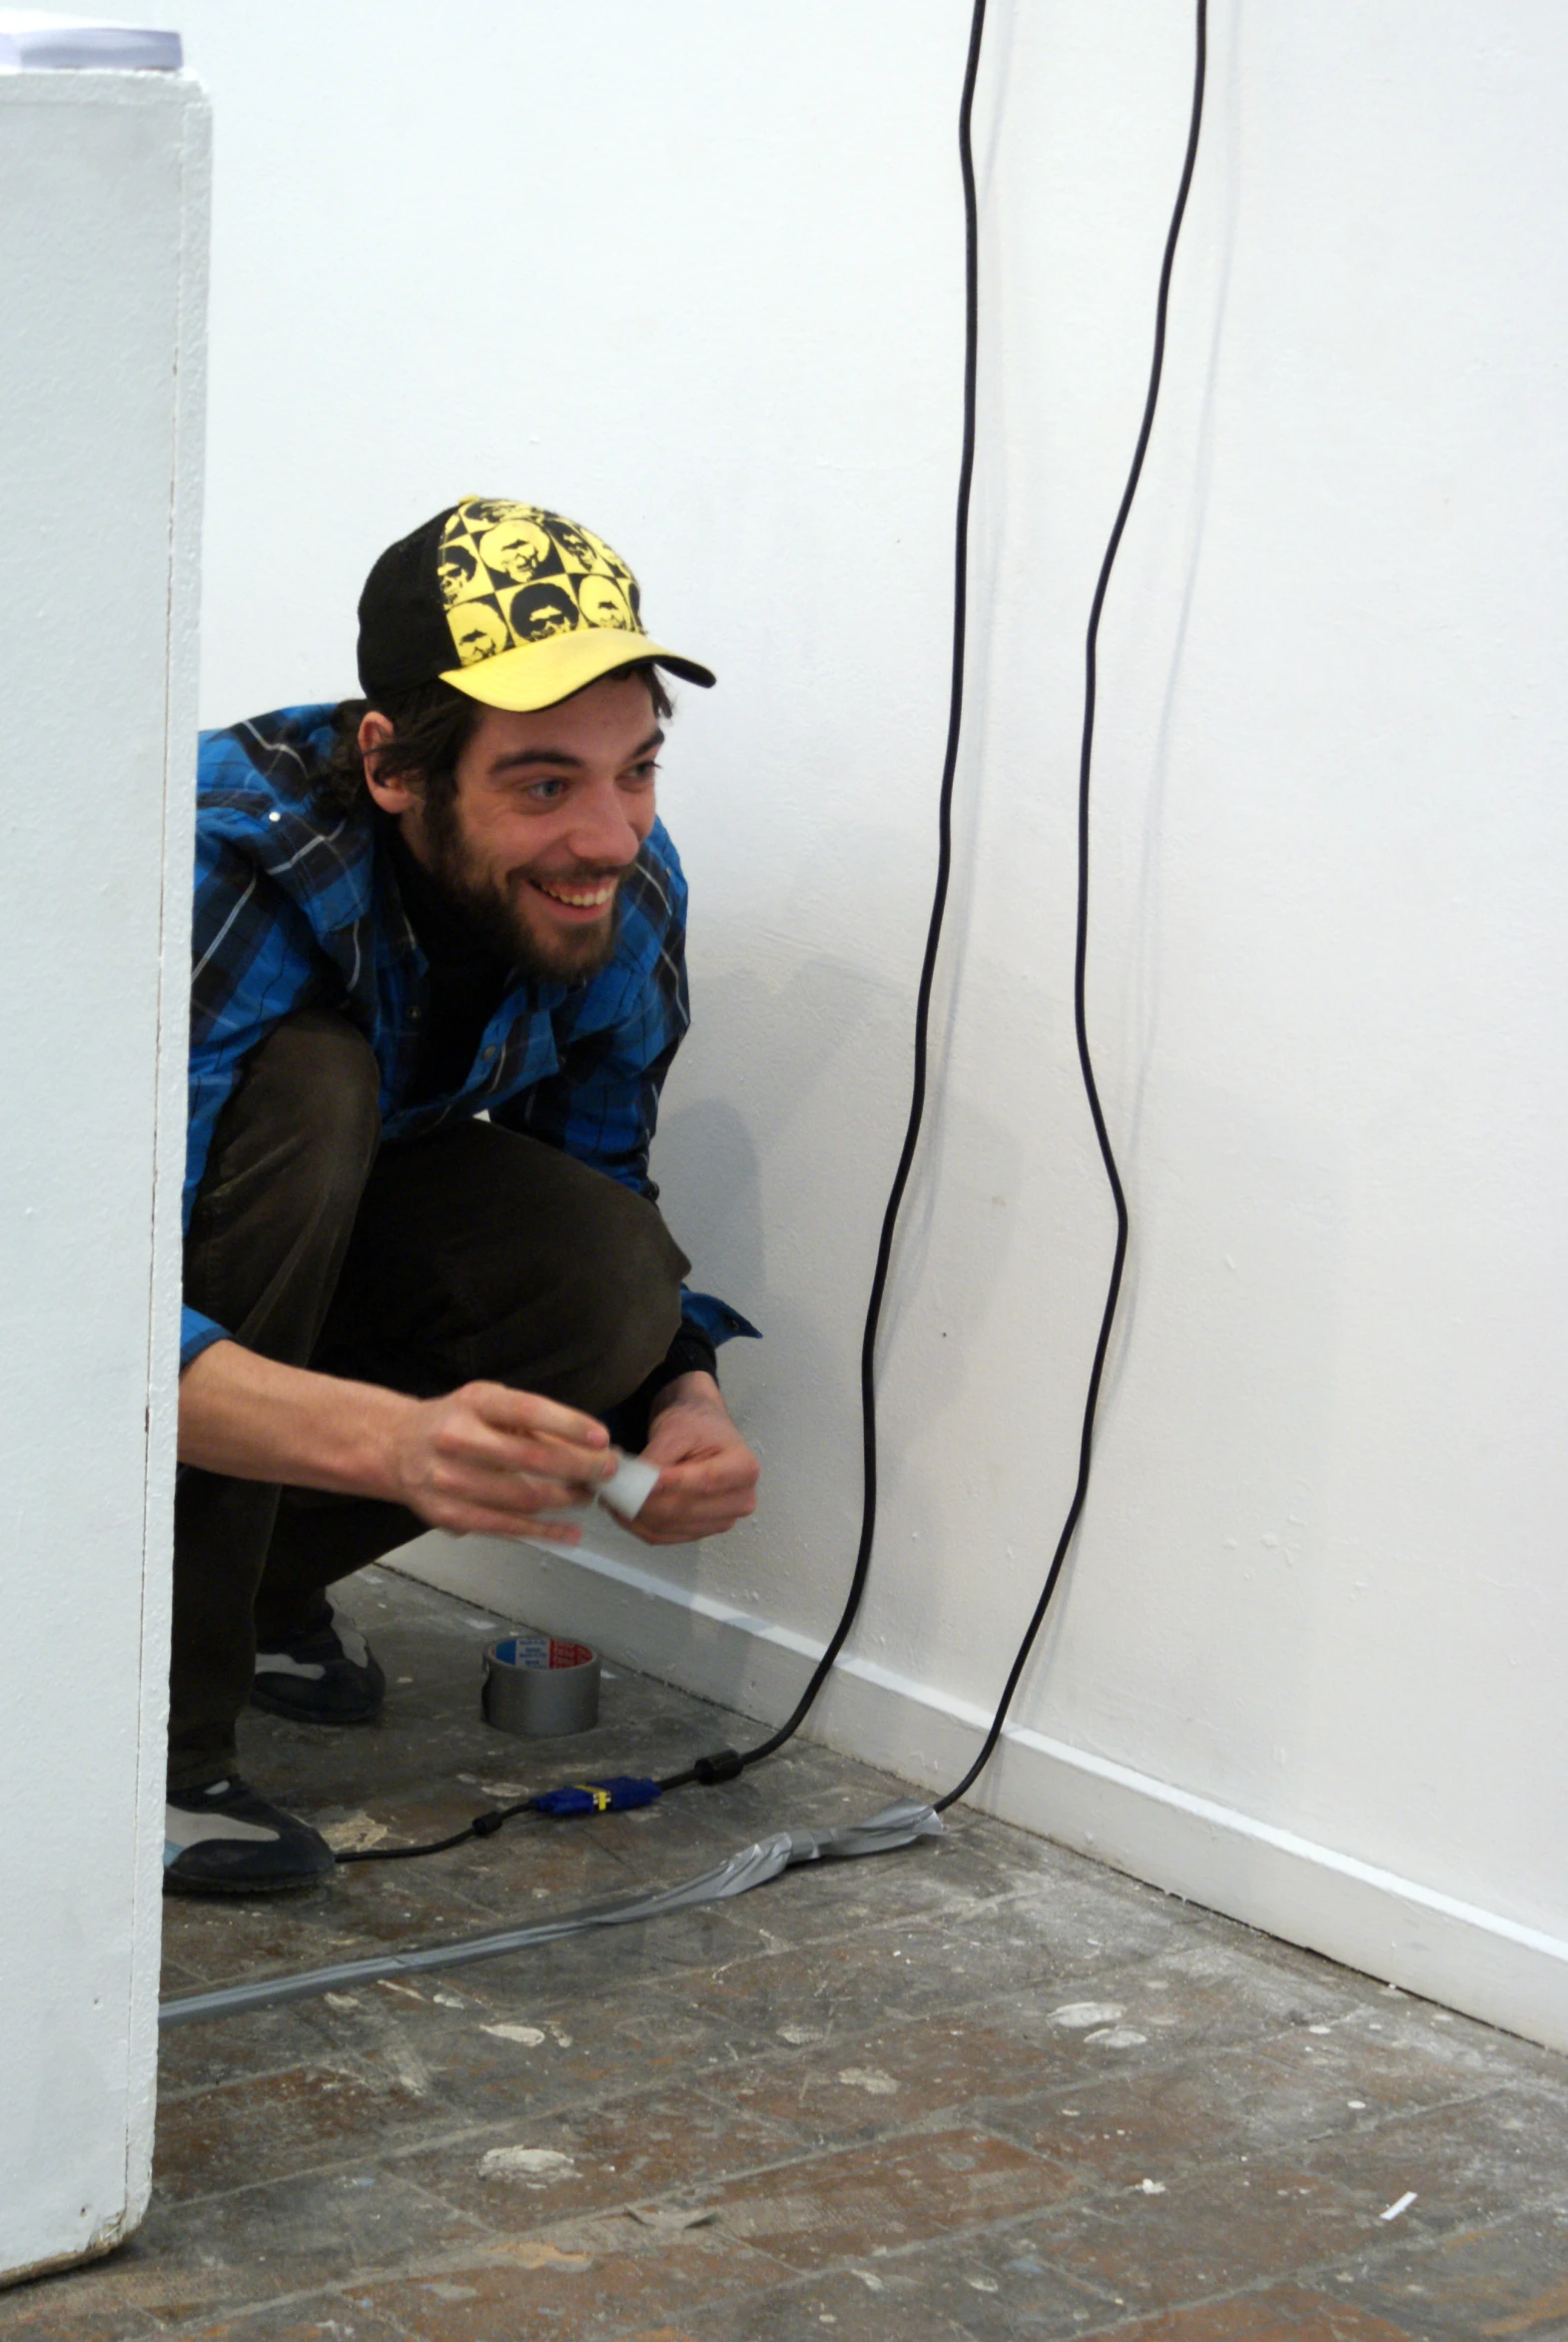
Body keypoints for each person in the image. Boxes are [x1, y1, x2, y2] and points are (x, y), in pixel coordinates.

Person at [166, 495, 760, 1895]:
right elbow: (67, 1311)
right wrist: (385, 1441)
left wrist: (677, 1401)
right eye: (543, 784)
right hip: (95, 1285)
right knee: (313, 1090)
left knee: (601, 1272)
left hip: (272, 1264)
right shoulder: (215, 867)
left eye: (637, 772)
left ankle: (249, 1599)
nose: (608, 838)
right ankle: (136, 1729)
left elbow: (595, 1179)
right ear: (391, 765)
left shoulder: (617, 891)